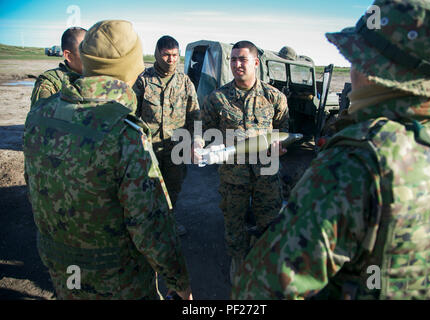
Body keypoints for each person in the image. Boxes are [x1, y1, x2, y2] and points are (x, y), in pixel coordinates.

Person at [232, 0, 430, 300]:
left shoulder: (355, 162)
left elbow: (263, 288)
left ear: (372, 69)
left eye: (356, 59)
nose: (352, 70)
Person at [23, 20, 192, 300]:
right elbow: (149, 225)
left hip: (61, 269)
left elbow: (35, 189)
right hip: (117, 279)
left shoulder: (40, 114)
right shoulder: (125, 133)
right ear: (131, 65)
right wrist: (180, 281)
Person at [201, 40, 289, 281]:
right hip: (232, 176)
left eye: (243, 59)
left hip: (266, 174)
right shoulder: (217, 98)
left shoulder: (274, 97)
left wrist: (280, 148)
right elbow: (202, 130)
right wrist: (201, 144)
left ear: (256, 63)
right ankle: (239, 263)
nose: (237, 64)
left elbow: (283, 129)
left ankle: (265, 262)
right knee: (233, 223)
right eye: (233, 59)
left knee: (270, 222)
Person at [133, 35, 201, 236]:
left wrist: (195, 140)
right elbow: (131, 114)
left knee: (173, 188)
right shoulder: (144, 80)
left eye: (174, 55)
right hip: (149, 148)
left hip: (176, 148)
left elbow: (194, 113)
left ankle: (168, 223)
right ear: (157, 54)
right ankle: (148, 227)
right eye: (166, 55)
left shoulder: (184, 82)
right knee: (148, 189)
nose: (171, 60)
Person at [30, 27, 86, 107]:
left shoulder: (98, 77)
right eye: (85, 52)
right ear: (68, 56)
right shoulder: (49, 83)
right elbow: (38, 117)